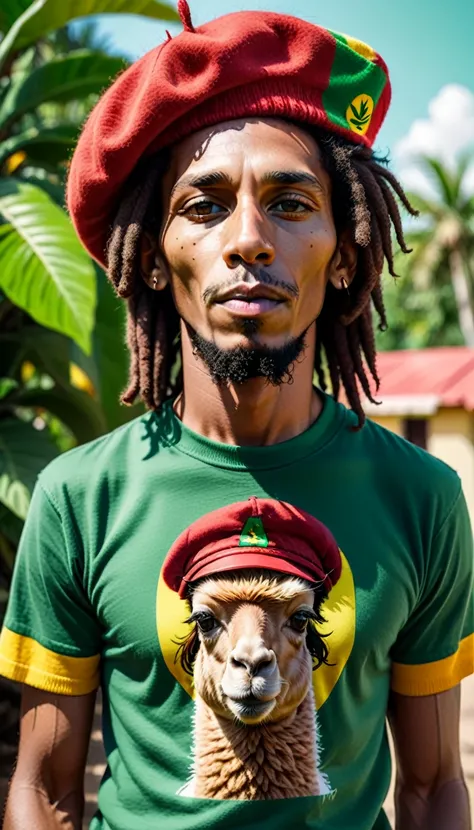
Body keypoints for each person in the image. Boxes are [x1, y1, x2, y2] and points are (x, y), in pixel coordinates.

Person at [0, 3, 472, 829]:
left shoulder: (421, 498)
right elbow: (43, 791)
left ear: (347, 251)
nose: (249, 239)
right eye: (205, 205)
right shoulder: (79, 499)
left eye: (290, 204)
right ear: (151, 257)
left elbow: (433, 789)